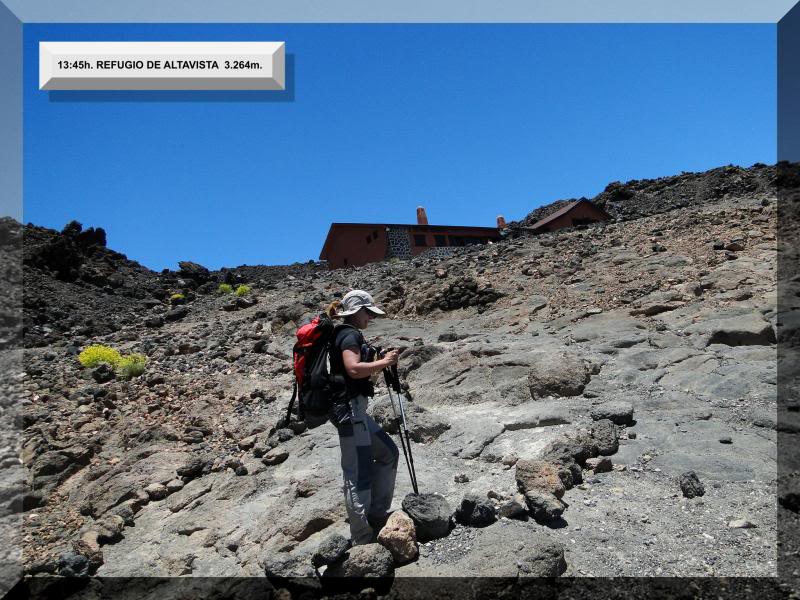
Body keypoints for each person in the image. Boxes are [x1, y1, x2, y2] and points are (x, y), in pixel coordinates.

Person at [326, 289, 401, 545]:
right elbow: (354, 369)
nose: (370, 317)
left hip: (356, 410)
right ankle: (362, 537)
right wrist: (384, 363)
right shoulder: (347, 335)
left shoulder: (348, 334)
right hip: (349, 411)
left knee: (389, 453)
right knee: (358, 473)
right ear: (358, 311)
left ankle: (377, 515)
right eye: (368, 312)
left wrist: (379, 359)